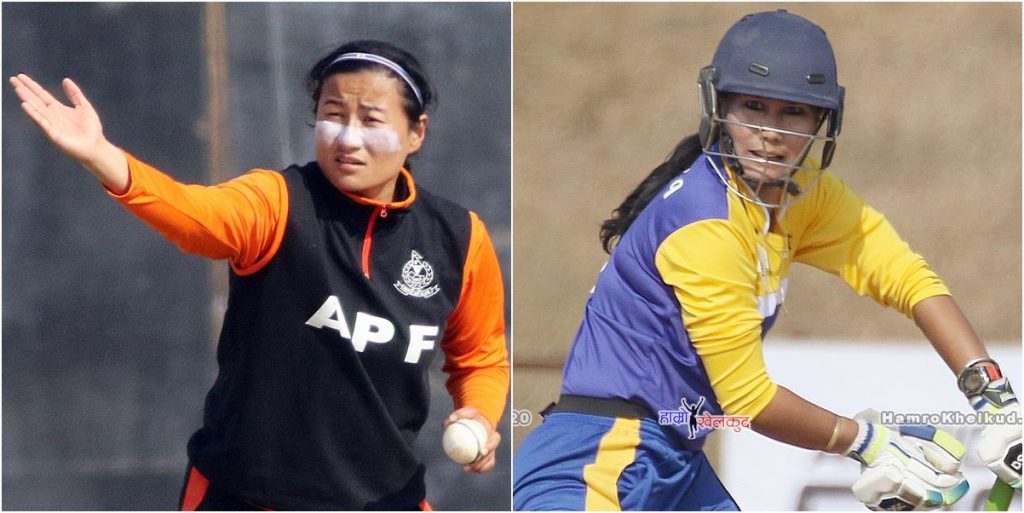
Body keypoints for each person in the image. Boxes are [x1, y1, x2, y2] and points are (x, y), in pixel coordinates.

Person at [512, 10, 1020, 511]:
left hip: (675, 460)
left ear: (822, 122)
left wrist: (995, 399)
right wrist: (868, 443)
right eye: (753, 106)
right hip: (595, 461)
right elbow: (748, 400)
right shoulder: (706, 224)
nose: (771, 133)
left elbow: (908, 279)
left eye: (793, 112)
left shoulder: (805, 199)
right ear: (719, 107)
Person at [10, 39, 509, 510]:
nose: (348, 138)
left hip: (387, 499)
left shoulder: (458, 236)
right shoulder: (278, 202)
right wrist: (100, 155)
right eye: (333, 115)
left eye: (371, 119)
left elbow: (479, 356)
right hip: (247, 494)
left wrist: (480, 414)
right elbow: (194, 216)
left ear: (416, 132)